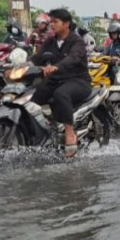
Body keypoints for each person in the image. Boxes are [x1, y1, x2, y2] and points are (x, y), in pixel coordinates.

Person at [30, 8, 91, 157]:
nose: (51, 24)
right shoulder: (50, 41)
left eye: (55, 22)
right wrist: (18, 66)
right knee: (32, 96)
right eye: (50, 22)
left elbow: (73, 58)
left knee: (61, 94)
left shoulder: (77, 41)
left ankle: (69, 133)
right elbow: (37, 58)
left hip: (79, 81)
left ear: (66, 24)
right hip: (56, 80)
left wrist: (56, 66)